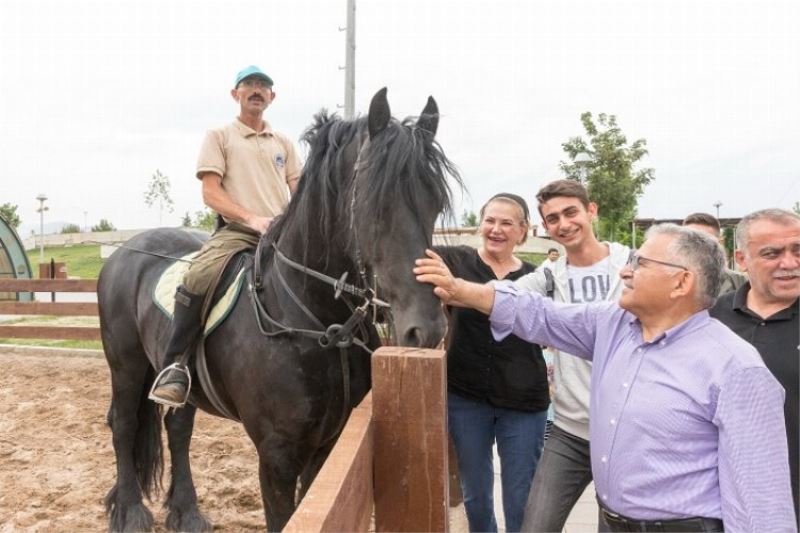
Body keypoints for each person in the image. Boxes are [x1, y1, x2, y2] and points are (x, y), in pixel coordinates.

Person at [415, 224, 795, 532]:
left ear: (681, 283)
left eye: (640, 263)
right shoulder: (614, 324)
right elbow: (542, 315)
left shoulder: (735, 368)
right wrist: (460, 290)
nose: (625, 271)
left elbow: (761, 503)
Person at [150, 65, 302, 406]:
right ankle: (175, 365)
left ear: (272, 97)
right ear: (235, 94)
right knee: (198, 275)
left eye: (263, 85)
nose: (256, 90)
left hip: (281, 235)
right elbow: (211, 194)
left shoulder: (284, 144)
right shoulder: (220, 137)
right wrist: (253, 219)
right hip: (238, 232)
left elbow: (300, 191)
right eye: (249, 84)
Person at [516, 179, 629, 532]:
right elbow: (499, 298)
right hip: (570, 430)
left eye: (570, 212)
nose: (563, 224)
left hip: (627, 432)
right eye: (553, 219)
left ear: (591, 210)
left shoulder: (633, 265)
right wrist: (453, 288)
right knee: (536, 525)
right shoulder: (548, 276)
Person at [440, 193, 549, 533]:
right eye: (490, 220)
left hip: (524, 403)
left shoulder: (539, 278)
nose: (496, 229)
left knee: (521, 498)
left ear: (523, 232)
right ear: (479, 225)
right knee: (475, 495)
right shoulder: (455, 261)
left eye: (506, 223)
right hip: (466, 398)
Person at [710, 208, 800, 526]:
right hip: (723, 506)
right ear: (742, 259)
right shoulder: (710, 319)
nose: (789, 263)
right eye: (772, 253)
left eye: (797, 250)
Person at [683, 212, 747, 295]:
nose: (697, 246)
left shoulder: (741, 284)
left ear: (719, 243)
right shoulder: (666, 282)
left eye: (705, 241)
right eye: (690, 240)